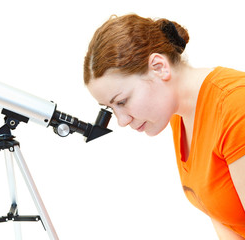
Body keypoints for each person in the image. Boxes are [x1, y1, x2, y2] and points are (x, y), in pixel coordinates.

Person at [84, 14, 245, 239]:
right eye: (111, 108)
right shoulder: (179, 114)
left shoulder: (236, 108)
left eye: (122, 101)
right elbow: (223, 214)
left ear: (159, 67)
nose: (122, 121)